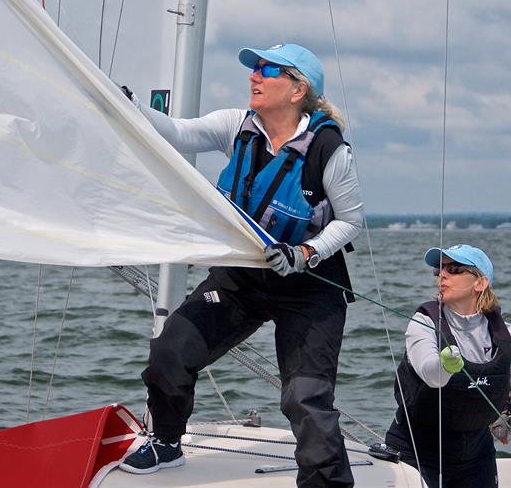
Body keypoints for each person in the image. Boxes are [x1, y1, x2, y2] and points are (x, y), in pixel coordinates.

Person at [117, 43, 362, 487]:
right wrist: (129, 104)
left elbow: (351, 220)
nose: (254, 76)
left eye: (266, 70)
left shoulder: (329, 149)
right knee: (170, 351)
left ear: (296, 89)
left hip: (310, 287)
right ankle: (167, 443)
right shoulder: (236, 125)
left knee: (306, 398)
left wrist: (304, 254)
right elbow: (176, 133)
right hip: (242, 279)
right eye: (254, 68)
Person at [384, 244, 511, 488]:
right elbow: (431, 375)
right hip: (418, 449)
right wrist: (445, 365)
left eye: (454, 268)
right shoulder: (423, 322)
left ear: (480, 283)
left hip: (476, 453)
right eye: (439, 270)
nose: (442, 275)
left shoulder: (504, 333)